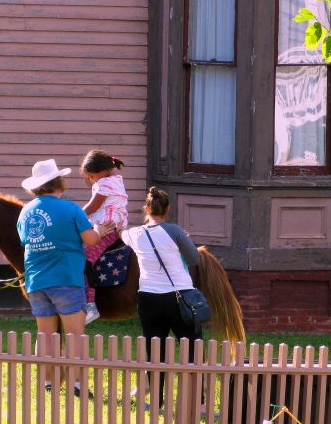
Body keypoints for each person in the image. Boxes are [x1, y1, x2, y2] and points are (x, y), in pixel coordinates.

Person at [17, 159, 111, 395]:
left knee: (46, 335)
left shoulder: (25, 212)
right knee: (75, 335)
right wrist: (99, 231)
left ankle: (48, 383)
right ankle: (76, 384)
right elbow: (91, 240)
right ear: (59, 182)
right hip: (66, 278)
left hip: (36, 281)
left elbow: (25, 241)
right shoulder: (71, 209)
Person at [120, 186, 201, 409]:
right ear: (167, 208)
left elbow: (121, 234)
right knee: (193, 346)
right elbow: (194, 259)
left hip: (149, 298)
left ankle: (156, 401)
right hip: (180, 295)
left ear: (146, 209)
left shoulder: (134, 234)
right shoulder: (175, 231)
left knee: (155, 350)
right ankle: (197, 402)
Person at [79, 149, 128, 325]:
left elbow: (92, 207)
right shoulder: (115, 181)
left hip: (106, 230)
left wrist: (74, 216)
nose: (92, 179)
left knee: (84, 259)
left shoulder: (105, 184)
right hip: (110, 228)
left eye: (92, 176)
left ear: (104, 171)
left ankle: (90, 304)